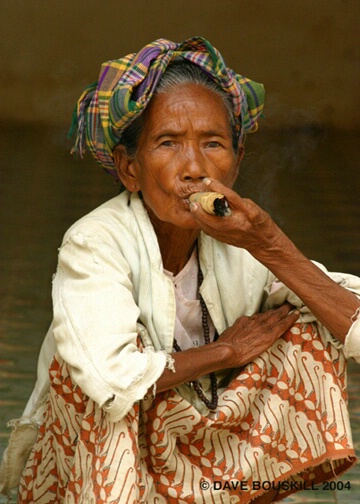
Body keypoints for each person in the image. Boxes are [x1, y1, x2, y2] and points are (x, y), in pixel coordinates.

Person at [0, 36, 359, 504]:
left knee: (314, 324)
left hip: (201, 453)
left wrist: (270, 244)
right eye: (168, 143)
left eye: (213, 143)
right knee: (96, 384)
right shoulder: (94, 242)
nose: (194, 168)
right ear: (130, 169)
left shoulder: (246, 241)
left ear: (236, 162)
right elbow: (110, 379)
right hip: (100, 467)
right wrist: (226, 351)